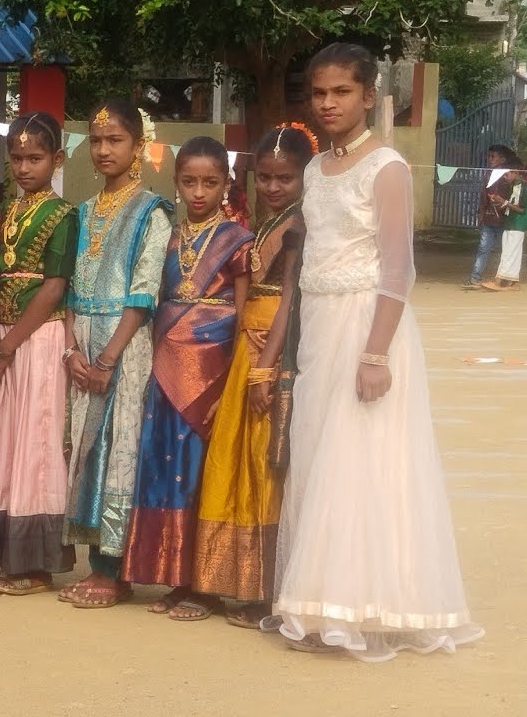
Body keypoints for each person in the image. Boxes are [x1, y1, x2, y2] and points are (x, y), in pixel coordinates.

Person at [273, 42, 483, 660]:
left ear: (368, 96)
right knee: (321, 457)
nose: (328, 103)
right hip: (321, 330)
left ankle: (360, 612)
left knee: (360, 462)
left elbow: (398, 268)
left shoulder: (386, 166)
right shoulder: (315, 169)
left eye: (341, 92)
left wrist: (375, 354)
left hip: (367, 328)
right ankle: (322, 605)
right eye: (319, 93)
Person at [121, 136, 254, 621]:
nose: (199, 192)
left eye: (210, 183)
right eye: (189, 182)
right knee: (165, 466)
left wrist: (236, 373)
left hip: (213, 369)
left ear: (226, 183)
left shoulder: (237, 239)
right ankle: (176, 578)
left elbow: (243, 314)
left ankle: (207, 585)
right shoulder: (167, 236)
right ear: (175, 182)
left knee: (202, 471)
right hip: (165, 363)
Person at [193, 124, 315, 629]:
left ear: (304, 177)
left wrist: (268, 364)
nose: (272, 186)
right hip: (248, 344)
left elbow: (290, 298)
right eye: (264, 177)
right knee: (232, 457)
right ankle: (228, 581)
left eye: (284, 178)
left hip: (272, 352)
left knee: (265, 464)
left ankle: (265, 589)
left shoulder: (302, 224)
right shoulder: (262, 225)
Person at [57, 101, 172, 609]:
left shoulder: (153, 212)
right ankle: (95, 564)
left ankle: (116, 570)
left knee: (119, 446)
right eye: (97, 140)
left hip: (125, 344)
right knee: (84, 448)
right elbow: (67, 288)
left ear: (138, 147)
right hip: (82, 343)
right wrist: (71, 350)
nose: (104, 150)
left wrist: (107, 358)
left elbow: (144, 293)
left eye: (115, 140)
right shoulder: (82, 211)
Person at [0, 112, 77, 596]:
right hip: (6, 336)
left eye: (35, 158)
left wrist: (7, 344)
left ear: (56, 159)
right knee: (8, 439)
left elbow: (54, 287)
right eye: (17, 158)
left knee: (36, 441)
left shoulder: (63, 215)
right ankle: (4, 554)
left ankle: (37, 565)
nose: (24, 167)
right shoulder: (7, 209)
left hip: (38, 338)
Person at [467, 145, 516, 288]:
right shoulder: (487, 174)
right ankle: (475, 278)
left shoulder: (510, 175)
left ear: (502, 159)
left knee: (506, 250)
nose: (490, 159)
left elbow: (514, 197)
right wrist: (481, 214)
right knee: (483, 248)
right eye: (489, 156)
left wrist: (502, 203)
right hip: (488, 219)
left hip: (504, 219)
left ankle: (504, 279)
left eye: (493, 157)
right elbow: (484, 196)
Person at [482, 164, 525, 291]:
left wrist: (504, 202)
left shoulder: (523, 188)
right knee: (511, 253)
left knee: (509, 253)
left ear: (515, 173)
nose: (505, 177)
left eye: (507, 174)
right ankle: (512, 283)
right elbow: (513, 205)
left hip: (517, 224)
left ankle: (499, 281)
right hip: (510, 223)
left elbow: (522, 210)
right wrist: (501, 203)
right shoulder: (514, 187)